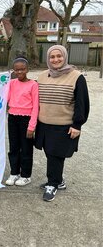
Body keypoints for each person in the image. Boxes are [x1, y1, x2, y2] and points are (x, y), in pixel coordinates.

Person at [35, 45, 89, 202]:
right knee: (49, 153)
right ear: (48, 59)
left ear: (65, 57)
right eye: (52, 57)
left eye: (59, 56)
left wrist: (77, 125)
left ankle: (53, 184)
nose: (56, 59)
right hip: (44, 124)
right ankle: (59, 180)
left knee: (55, 155)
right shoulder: (42, 76)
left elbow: (82, 103)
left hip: (64, 125)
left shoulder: (77, 77)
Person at [5, 56, 39, 187]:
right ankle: (14, 172)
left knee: (26, 148)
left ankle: (26, 175)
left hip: (26, 120)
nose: (19, 72)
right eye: (17, 70)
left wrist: (32, 126)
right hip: (13, 117)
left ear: (27, 69)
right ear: (13, 70)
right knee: (13, 147)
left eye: (22, 69)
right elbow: (5, 99)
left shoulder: (33, 85)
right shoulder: (12, 83)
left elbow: (36, 107)